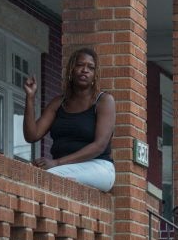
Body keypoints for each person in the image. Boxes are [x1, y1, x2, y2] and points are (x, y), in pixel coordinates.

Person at [22, 47, 116, 192]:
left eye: (91, 67)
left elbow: (99, 145)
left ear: (95, 75)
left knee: (42, 178)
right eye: (80, 65)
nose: (85, 70)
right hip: (65, 168)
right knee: (33, 174)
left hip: (99, 167)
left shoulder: (104, 101)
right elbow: (32, 135)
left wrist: (56, 162)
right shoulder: (58, 103)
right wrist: (30, 98)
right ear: (71, 69)